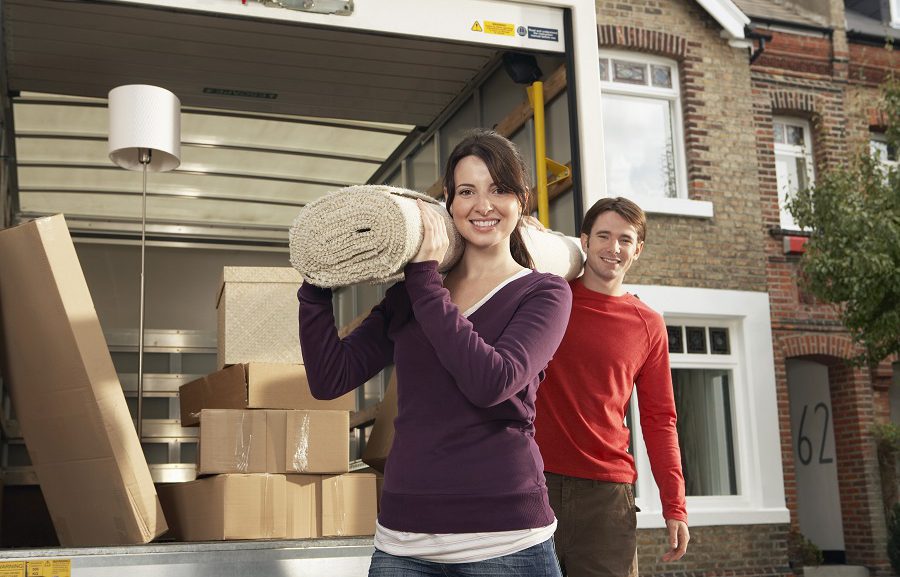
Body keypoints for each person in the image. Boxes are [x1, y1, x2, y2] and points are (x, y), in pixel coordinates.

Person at [298, 129, 572, 576]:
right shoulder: (414, 294)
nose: (483, 205)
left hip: (505, 540)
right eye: (467, 191)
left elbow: (492, 382)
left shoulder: (543, 293)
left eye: (498, 189)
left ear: (521, 201)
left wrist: (424, 282)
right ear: (449, 202)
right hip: (404, 541)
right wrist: (316, 288)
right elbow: (331, 377)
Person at [533, 197, 689, 577]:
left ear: (638, 249)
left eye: (625, 239)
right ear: (584, 241)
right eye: (603, 236)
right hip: (531, 483)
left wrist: (675, 505)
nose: (613, 248)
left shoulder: (648, 324)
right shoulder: (548, 299)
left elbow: (659, 419)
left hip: (606, 498)